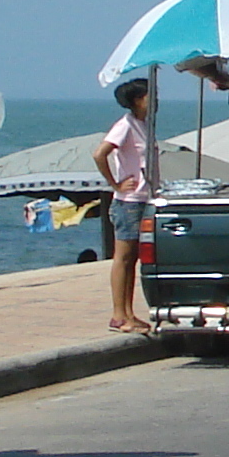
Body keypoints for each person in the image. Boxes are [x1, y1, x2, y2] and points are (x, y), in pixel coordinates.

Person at [95, 77, 156, 333]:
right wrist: (116, 184)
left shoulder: (144, 125)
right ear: (137, 100)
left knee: (135, 259)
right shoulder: (126, 125)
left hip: (144, 198)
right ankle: (119, 314)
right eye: (150, 96)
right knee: (123, 257)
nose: (155, 101)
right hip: (128, 202)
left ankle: (129, 312)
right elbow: (100, 154)